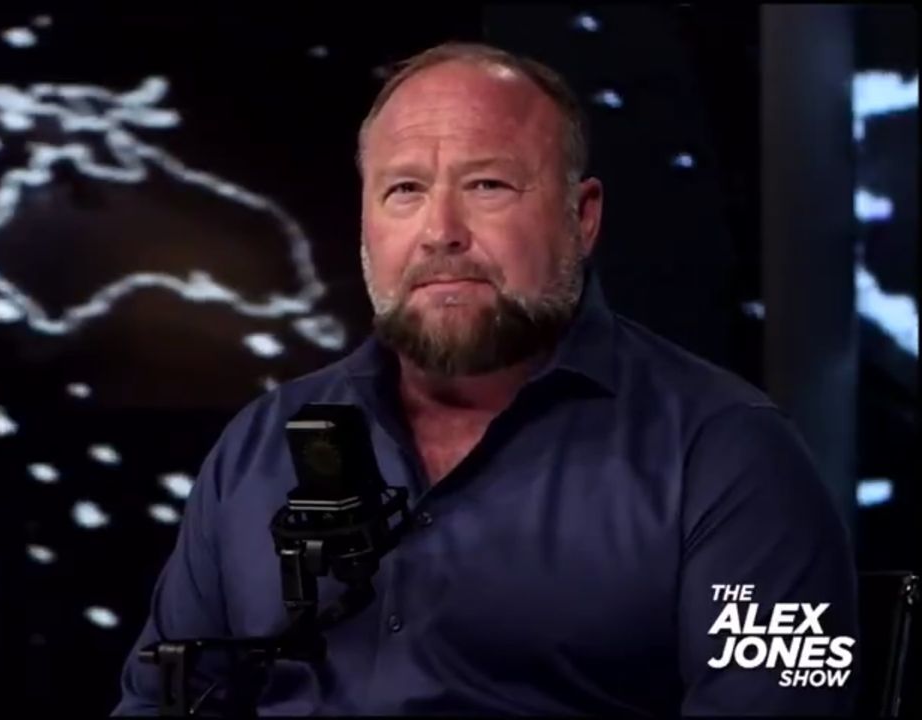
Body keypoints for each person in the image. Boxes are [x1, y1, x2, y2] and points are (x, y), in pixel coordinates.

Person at [112, 41, 858, 716]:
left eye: (489, 185)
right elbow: (157, 701)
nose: (441, 231)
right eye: (404, 189)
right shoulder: (260, 446)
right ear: (365, 222)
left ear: (581, 217)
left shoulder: (728, 454)